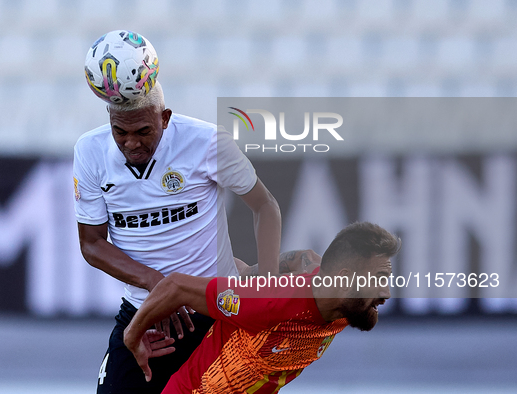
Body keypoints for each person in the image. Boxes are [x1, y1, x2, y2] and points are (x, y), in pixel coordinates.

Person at [73, 30, 281, 393]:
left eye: (143, 131)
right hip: (147, 318)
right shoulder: (89, 152)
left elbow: (266, 206)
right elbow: (91, 244)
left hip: (218, 314)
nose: (131, 143)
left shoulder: (207, 143)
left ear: (165, 118)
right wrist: (160, 288)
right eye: (119, 132)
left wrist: (268, 293)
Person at [124, 222, 401, 393]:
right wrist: (132, 336)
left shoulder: (343, 302)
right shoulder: (268, 303)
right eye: (376, 280)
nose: (386, 294)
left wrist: (251, 274)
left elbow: (303, 258)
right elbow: (176, 287)